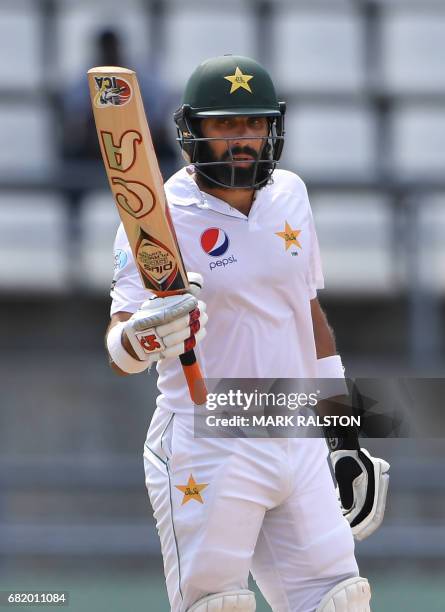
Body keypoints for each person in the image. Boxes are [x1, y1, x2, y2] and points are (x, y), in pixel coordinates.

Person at [105, 55, 390, 612]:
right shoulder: (158, 216)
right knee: (219, 605)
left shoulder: (291, 194)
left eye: (255, 124)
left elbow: (308, 316)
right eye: (225, 125)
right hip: (206, 441)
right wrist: (145, 337)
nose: (243, 139)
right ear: (193, 130)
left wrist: (343, 431)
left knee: (343, 600)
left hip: (293, 429)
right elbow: (119, 348)